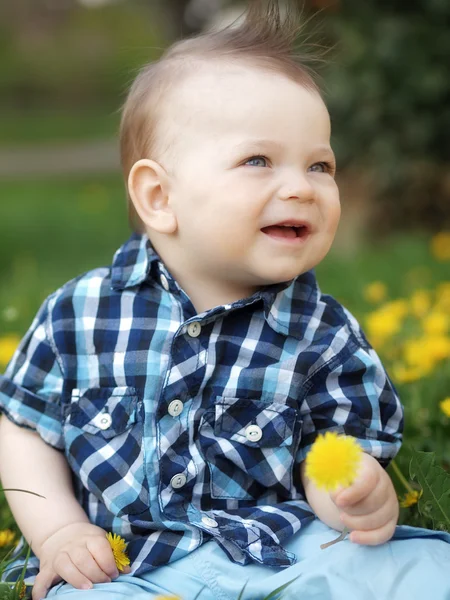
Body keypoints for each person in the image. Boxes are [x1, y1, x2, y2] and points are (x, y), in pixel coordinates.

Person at [0, 1, 449, 599]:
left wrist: (354, 494)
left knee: (420, 573)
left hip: (284, 551)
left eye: (320, 164)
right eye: (258, 160)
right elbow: (24, 430)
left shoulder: (323, 332)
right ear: (159, 196)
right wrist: (58, 531)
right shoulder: (79, 317)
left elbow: (337, 452)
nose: (300, 186)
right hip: (127, 567)